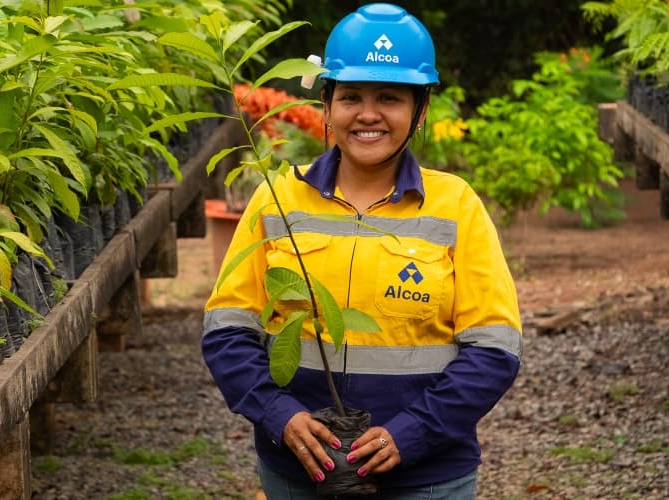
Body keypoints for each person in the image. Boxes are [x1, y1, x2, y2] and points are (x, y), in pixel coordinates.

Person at [202, 3, 523, 498]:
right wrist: (279, 416)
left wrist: (413, 433)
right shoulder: (278, 198)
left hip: (428, 475)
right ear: (326, 105)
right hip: (299, 470)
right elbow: (227, 331)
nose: (368, 114)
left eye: (390, 97)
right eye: (351, 96)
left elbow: (494, 350)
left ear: (419, 110)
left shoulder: (455, 206)